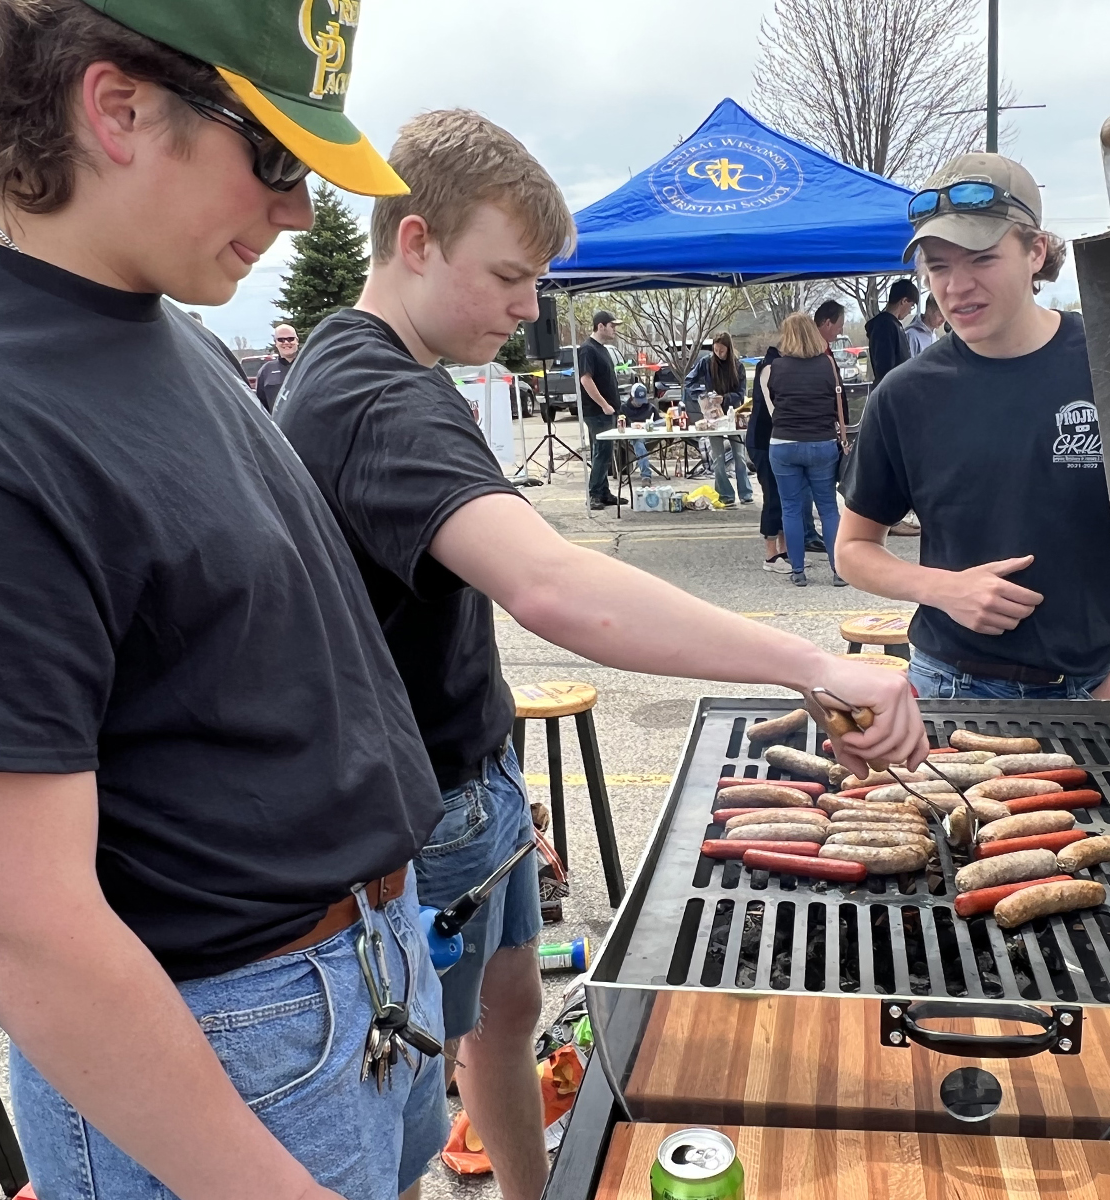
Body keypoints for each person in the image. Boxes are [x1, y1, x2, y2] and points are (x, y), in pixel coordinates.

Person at [0, 3, 449, 1199]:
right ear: (119, 107)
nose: (298, 211)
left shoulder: (156, 326)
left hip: (367, 985)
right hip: (227, 1050)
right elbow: (18, 928)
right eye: (278, 159)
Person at [275, 109, 930, 1200]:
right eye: (511, 276)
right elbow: (554, 588)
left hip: (463, 775)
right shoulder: (374, 396)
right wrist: (814, 663)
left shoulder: (380, 371)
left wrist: (499, 776)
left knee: (512, 1005)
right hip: (415, 816)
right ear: (416, 241)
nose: (532, 307)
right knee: (405, 1084)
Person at [836, 152, 1110, 701]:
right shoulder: (904, 394)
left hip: (1103, 684)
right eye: (939, 265)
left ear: (1036, 251)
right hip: (953, 687)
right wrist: (944, 589)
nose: (956, 286)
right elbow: (854, 549)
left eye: (981, 258)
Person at [762, 312, 849, 588]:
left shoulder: (777, 366)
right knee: (827, 508)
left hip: (784, 444)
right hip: (821, 443)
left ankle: (798, 571)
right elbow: (841, 404)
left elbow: (774, 399)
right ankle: (838, 571)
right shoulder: (828, 364)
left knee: (791, 508)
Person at [685, 332, 753, 507]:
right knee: (717, 457)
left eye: (722, 351)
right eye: (715, 350)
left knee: (739, 455)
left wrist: (725, 398)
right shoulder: (706, 362)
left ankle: (745, 493)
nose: (718, 354)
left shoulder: (737, 366)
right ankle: (725, 494)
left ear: (729, 350)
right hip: (712, 415)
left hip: (732, 414)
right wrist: (703, 396)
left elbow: (741, 393)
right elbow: (689, 381)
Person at [577, 311, 622, 509]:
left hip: (607, 410)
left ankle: (603, 492)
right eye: (612, 325)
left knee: (603, 451)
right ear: (601, 326)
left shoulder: (602, 349)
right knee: (602, 452)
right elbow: (585, 379)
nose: (615, 329)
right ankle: (594, 493)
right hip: (597, 411)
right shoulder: (588, 349)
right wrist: (604, 404)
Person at [865, 278, 919, 382]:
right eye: (911, 306)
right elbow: (885, 369)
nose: (909, 312)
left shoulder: (893, 325)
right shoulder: (884, 325)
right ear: (904, 301)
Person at [255, 322, 300, 411]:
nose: (286, 342)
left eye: (290, 339)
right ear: (276, 343)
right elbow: (261, 406)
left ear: (297, 341)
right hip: (277, 424)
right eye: (281, 340)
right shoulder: (266, 371)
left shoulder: (309, 365)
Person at [621, 379, 657, 482]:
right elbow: (619, 424)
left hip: (650, 437)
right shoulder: (624, 408)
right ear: (632, 397)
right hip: (631, 438)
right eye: (637, 400)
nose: (640, 403)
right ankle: (646, 475)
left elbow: (660, 422)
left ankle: (644, 468)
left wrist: (649, 424)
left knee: (640, 443)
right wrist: (631, 425)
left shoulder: (650, 407)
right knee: (638, 443)